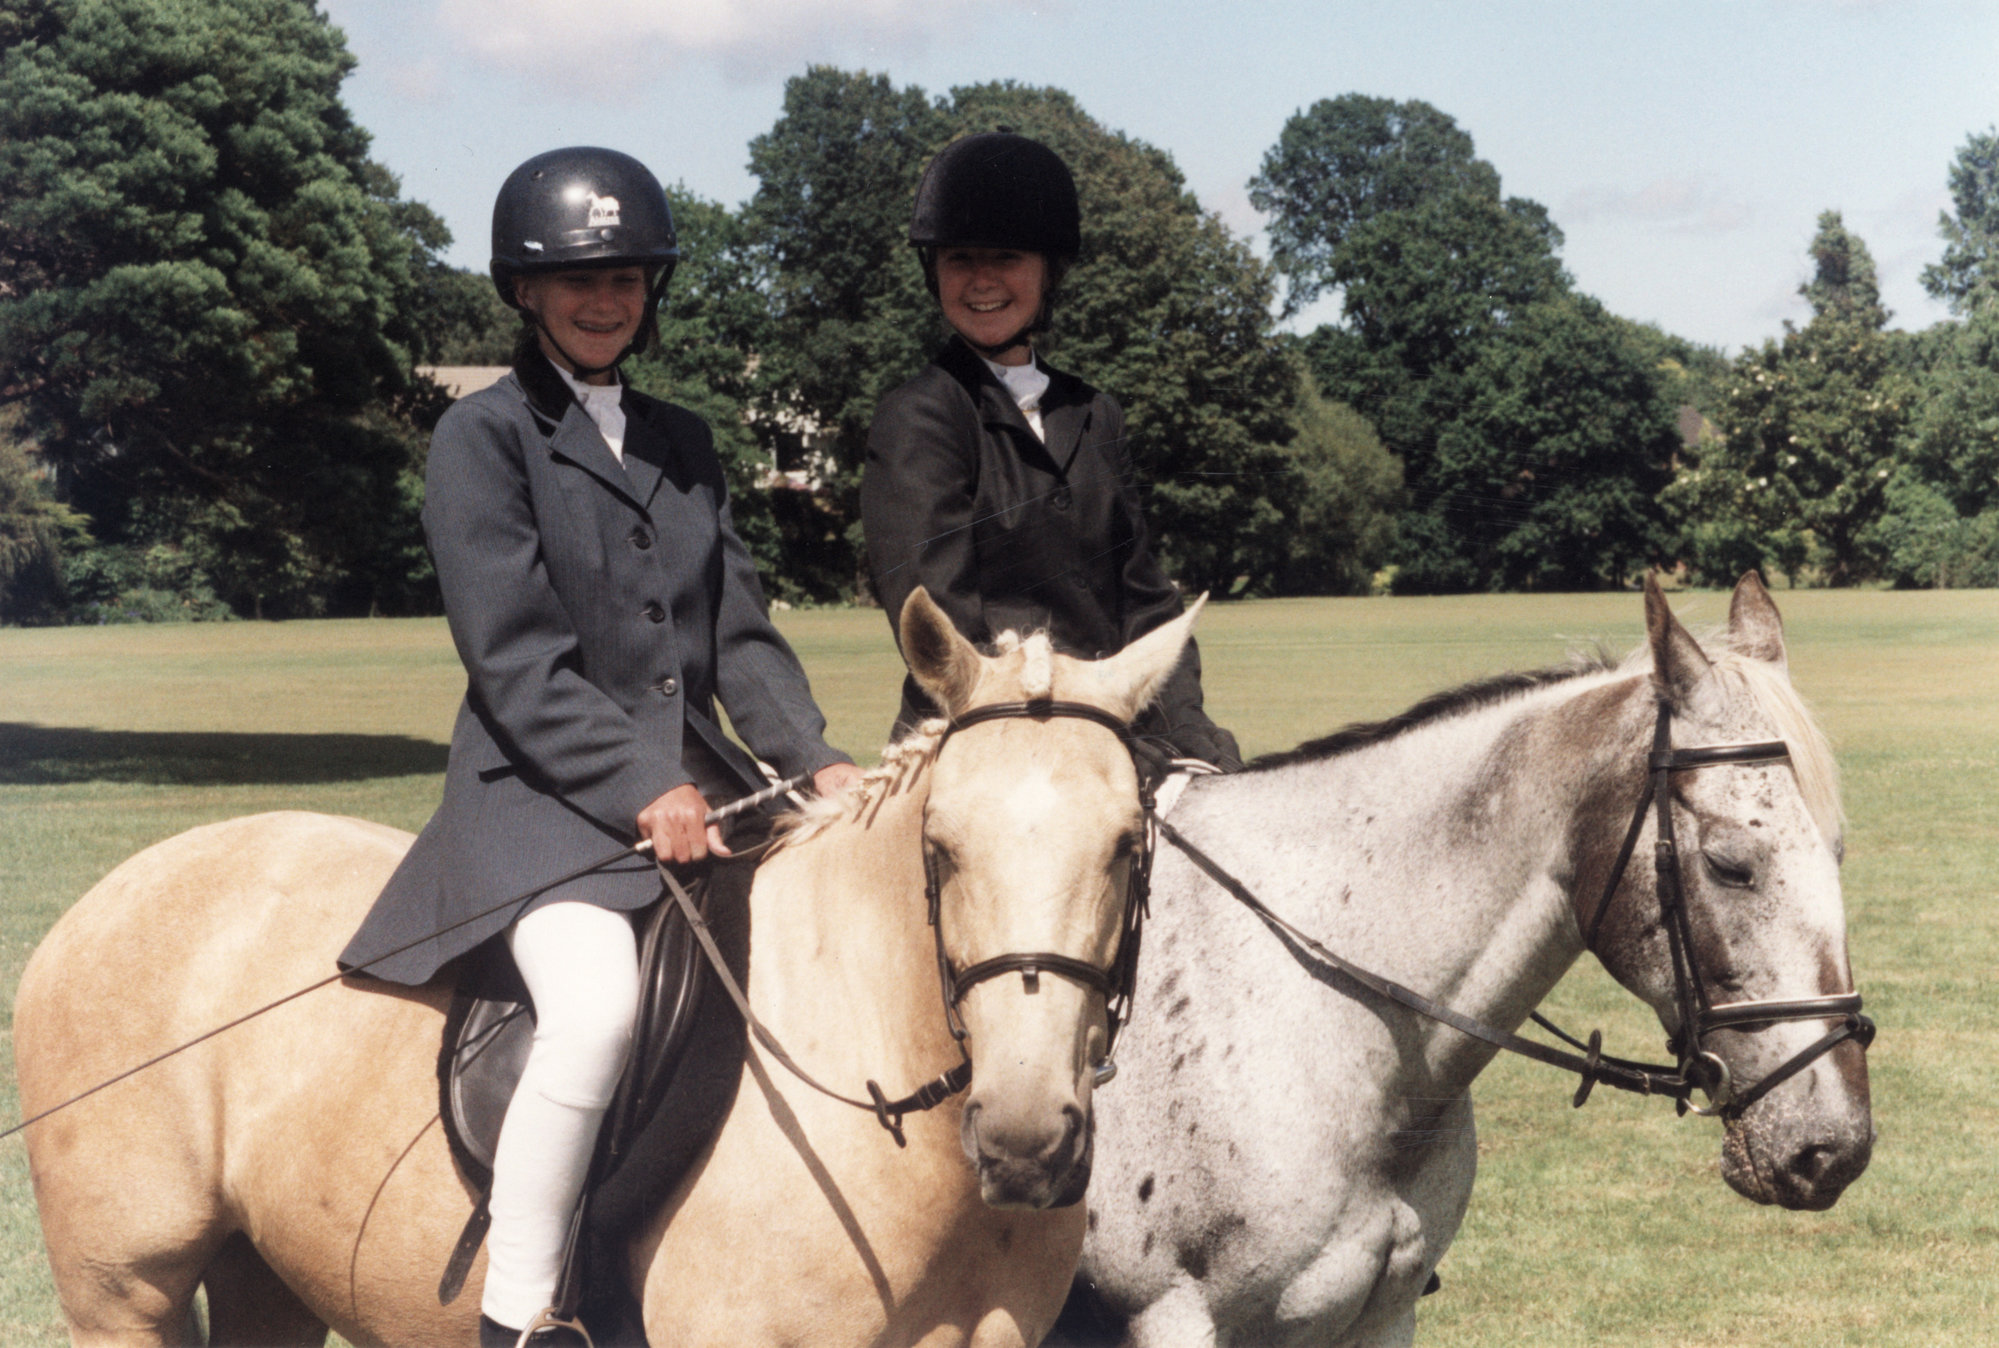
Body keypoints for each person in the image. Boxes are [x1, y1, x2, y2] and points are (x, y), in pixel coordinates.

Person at [337, 147, 861, 1348]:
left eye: (625, 276)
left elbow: (740, 634)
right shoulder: (481, 437)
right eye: (576, 278)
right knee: (594, 1008)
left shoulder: (683, 437)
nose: (603, 298)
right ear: (525, 289)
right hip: (539, 801)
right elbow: (515, 659)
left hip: (705, 789)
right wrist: (644, 783)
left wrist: (814, 758)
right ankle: (521, 1312)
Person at [860, 131, 1242, 769]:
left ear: (1047, 270)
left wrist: (1185, 729)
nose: (981, 281)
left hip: (1112, 728)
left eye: (1005, 257)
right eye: (960, 260)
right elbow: (944, 627)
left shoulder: (1094, 412)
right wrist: (1083, 722)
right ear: (935, 273)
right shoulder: (919, 415)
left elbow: (1145, 598)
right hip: (985, 733)